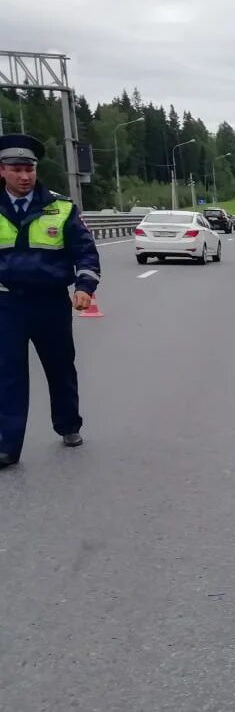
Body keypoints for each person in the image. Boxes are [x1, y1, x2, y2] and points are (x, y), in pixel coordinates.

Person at [0, 134, 101, 469]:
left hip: (50, 302)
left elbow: (85, 251)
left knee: (60, 367)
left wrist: (85, 286)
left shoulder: (61, 207)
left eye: (29, 168)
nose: (25, 176)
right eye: (16, 169)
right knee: (8, 375)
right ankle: (7, 446)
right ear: (2, 171)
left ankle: (68, 425)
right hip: (6, 304)